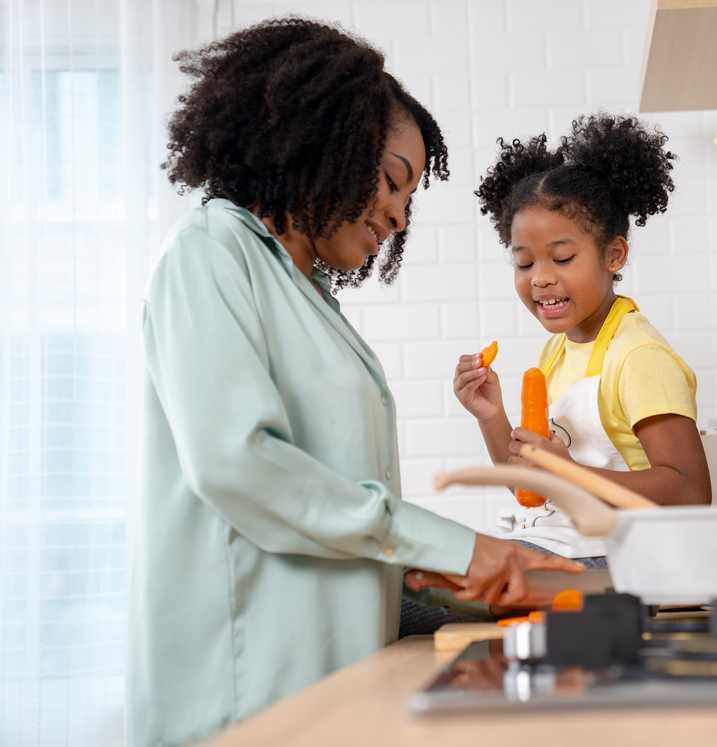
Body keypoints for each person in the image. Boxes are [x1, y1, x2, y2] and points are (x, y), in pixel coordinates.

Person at [128, 19, 580, 747]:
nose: (400, 215)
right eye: (394, 180)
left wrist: (434, 576)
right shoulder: (208, 256)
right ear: (321, 142)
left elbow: (326, 512)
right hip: (242, 701)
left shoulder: (307, 296)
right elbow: (240, 465)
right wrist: (453, 548)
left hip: (327, 689)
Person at [453, 114, 712, 565]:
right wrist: (491, 416)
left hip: (617, 561)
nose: (541, 279)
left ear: (614, 255)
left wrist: (571, 474)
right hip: (559, 545)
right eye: (525, 264)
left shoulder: (637, 355)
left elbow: (690, 491)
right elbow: (529, 487)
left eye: (563, 258)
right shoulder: (557, 351)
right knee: (415, 575)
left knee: (420, 586)